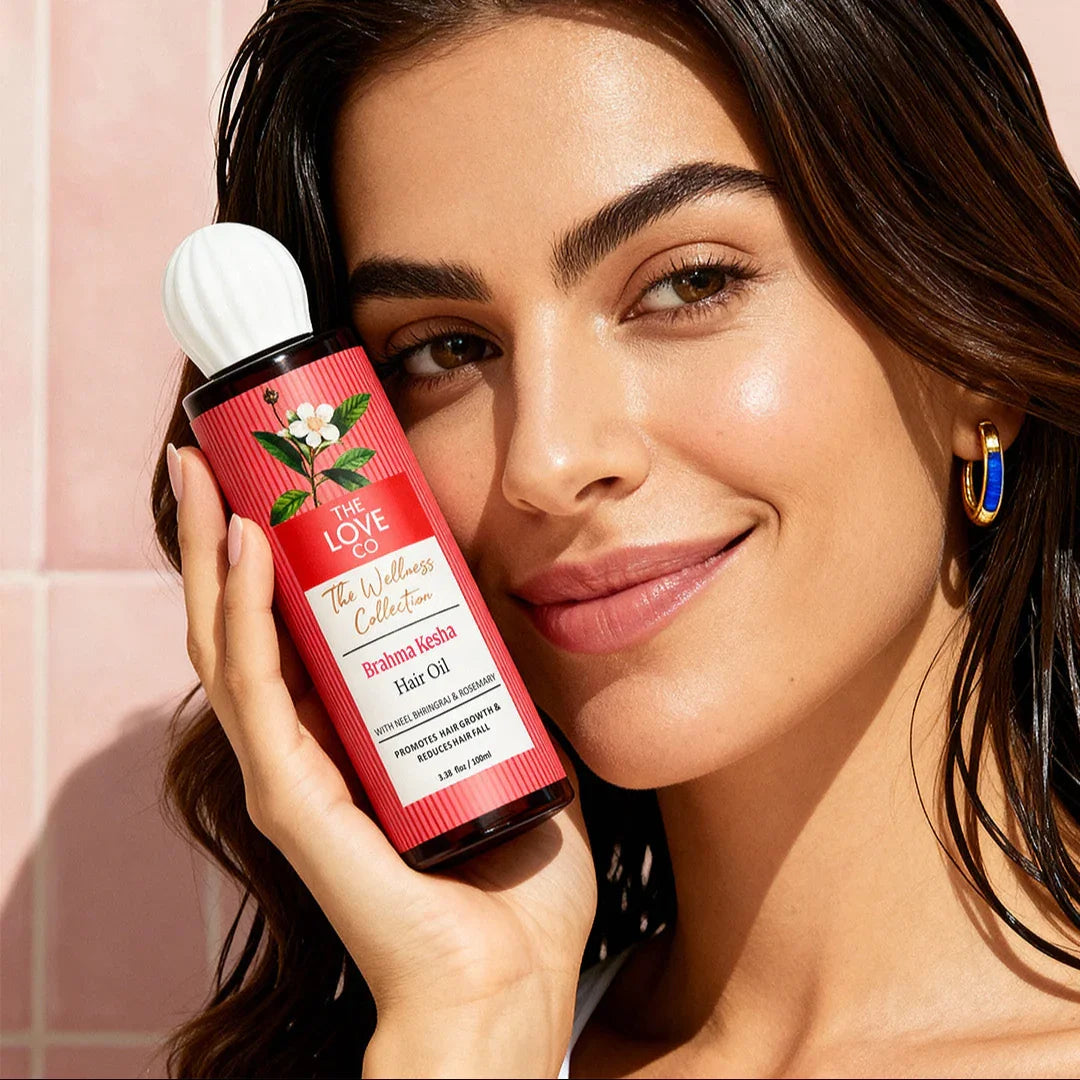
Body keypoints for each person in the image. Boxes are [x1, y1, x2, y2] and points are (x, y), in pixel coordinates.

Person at [150, 1, 1080, 1075]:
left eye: (688, 285)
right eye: (444, 348)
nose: (544, 460)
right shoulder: (446, 1038)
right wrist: (475, 1022)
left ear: (979, 361)